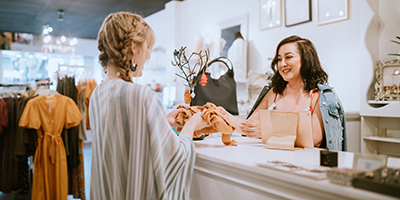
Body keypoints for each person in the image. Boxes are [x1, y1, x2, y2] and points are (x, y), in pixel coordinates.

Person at [89, 12, 207, 200]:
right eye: (148, 47)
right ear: (134, 47)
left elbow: (123, 141)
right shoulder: (141, 95)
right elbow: (174, 157)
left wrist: (162, 120)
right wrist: (191, 125)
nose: (149, 55)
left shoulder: (97, 94)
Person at [223, 35, 347, 151]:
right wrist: (224, 115)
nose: (282, 64)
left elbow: (315, 139)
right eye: (279, 59)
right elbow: (248, 127)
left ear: (305, 60)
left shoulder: (320, 96)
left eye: (288, 57)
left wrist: (268, 130)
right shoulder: (274, 92)